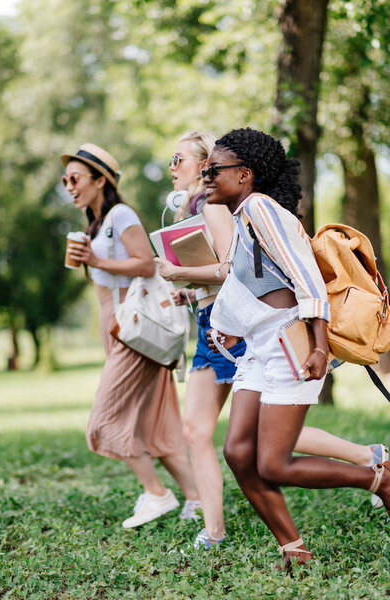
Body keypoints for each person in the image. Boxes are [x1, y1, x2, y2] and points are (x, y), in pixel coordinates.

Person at [156, 131, 388, 550]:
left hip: (292, 348)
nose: (206, 177)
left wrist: (319, 347)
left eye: (213, 170)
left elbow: (307, 279)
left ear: (245, 175)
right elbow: (256, 284)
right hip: (259, 348)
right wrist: (226, 322)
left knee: (274, 463)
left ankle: (379, 478)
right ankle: (293, 550)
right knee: (239, 454)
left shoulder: (262, 208)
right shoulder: (244, 216)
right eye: (204, 170)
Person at [60, 143, 200, 528]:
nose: (68, 186)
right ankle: (197, 498)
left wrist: (96, 260)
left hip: (134, 327)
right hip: (117, 325)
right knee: (149, 422)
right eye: (64, 180)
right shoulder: (97, 223)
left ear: (99, 179)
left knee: (102, 423)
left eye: (75, 178)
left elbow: (145, 263)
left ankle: (157, 493)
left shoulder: (120, 214)